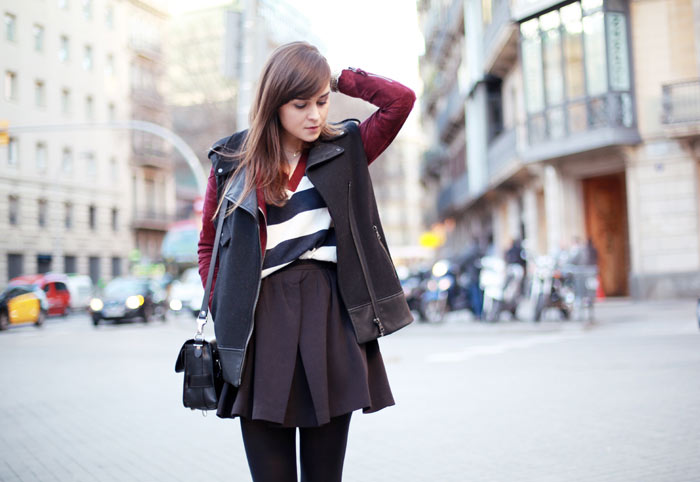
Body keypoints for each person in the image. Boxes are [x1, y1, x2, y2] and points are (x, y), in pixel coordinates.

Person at [197, 42, 415, 482]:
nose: (315, 115)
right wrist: (225, 302)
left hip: (329, 320)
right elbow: (207, 246)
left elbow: (400, 101)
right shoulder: (232, 162)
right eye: (301, 104)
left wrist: (334, 77)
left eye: (321, 101)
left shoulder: (344, 148)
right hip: (260, 323)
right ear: (274, 103)